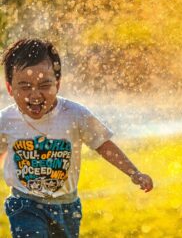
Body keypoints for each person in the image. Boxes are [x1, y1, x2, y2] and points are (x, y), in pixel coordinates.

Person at [0, 39, 153, 238]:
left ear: (58, 84)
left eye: (45, 85)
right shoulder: (6, 120)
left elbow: (103, 144)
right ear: (10, 88)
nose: (35, 94)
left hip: (66, 206)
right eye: (25, 86)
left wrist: (134, 172)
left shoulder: (74, 114)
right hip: (24, 204)